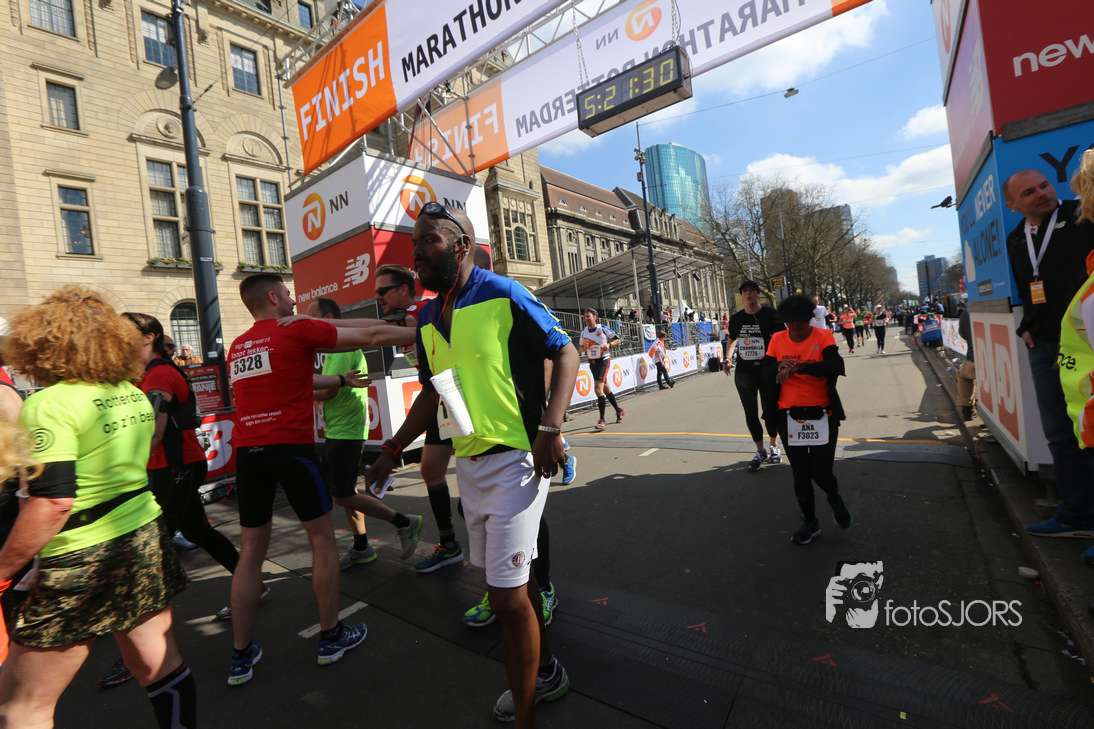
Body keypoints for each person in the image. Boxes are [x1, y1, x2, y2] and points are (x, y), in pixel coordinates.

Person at [365, 203, 577, 726]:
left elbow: (566, 352)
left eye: (429, 241)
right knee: (518, 590)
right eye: (414, 244)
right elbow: (431, 394)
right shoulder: (425, 317)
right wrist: (392, 449)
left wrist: (550, 428)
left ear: (461, 245)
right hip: (471, 465)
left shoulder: (504, 292)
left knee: (504, 600)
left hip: (518, 463)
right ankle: (547, 671)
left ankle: (525, 714)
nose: (418, 253)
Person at [0, 286, 194, 728]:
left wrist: (2, 572)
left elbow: (54, 503)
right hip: (143, 537)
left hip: (81, 557)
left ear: (45, 343)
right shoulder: (131, 392)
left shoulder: (48, 404)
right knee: (160, 665)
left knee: (21, 706)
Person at [225, 273, 381, 686]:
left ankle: (240, 655)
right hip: (291, 449)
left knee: (250, 552)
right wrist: (421, 327)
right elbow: (368, 333)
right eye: (287, 294)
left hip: (248, 454)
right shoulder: (293, 329)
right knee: (322, 540)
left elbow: (298, 380)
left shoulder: (238, 346)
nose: (293, 301)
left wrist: (340, 380)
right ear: (273, 297)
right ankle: (331, 636)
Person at [1003, 168, 1094, 545]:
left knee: (1091, 430)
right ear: (1012, 205)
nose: (1042, 193)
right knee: (1059, 432)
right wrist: (1027, 326)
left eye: (1043, 185)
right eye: (1029, 192)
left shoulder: (1083, 215)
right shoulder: (1015, 238)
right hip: (1042, 345)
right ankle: (1076, 514)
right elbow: (1027, 288)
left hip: (1085, 343)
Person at [305, 295, 427, 571]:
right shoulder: (334, 346)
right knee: (346, 490)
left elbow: (330, 390)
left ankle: (404, 522)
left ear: (329, 319)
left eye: (312, 317)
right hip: (340, 427)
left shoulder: (340, 346)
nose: (308, 322)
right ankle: (362, 546)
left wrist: (299, 392)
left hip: (346, 428)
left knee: (342, 494)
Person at [764, 294, 850, 545]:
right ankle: (810, 522)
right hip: (789, 415)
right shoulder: (777, 339)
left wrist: (801, 367)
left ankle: (833, 495)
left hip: (822, 413)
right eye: (789, 322)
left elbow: (836, 366)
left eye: (800, 321)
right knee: (800, 473)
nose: (794, 326)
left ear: (810, 318)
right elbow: (765, 371)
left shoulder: (822, 336)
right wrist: (779, 365)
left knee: (821, 472)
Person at [723, 280, 785, 471]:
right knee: (750, 412)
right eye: (745, 291)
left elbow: (784, 338)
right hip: (745, 371)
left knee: (769, 410)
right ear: (742, 296)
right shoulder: (736, 318)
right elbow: (732, 339)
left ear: (758, 294)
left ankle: (774, 445)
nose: (749, 293)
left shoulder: (771, 314)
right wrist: (727, 358)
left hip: (768, 369)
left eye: (752, 290)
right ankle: (760, 450)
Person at [580, 309, 624, 430]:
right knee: (605, 388)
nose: (586, 319)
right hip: (592, 361)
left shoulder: (603, 328)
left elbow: (618, 340)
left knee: (598, 390)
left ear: (595, 317)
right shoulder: (584, 332)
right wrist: (584, 348)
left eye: (588, 316)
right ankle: (619, 410)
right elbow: (581, 348)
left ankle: (602, 420)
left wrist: (609, 345)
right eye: (585, 317)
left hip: (603, 360)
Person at [956, 302, 976, 421]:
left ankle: (967, 410)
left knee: (963, 375)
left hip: (973, 360)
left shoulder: (965, 313)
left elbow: (962, 333)